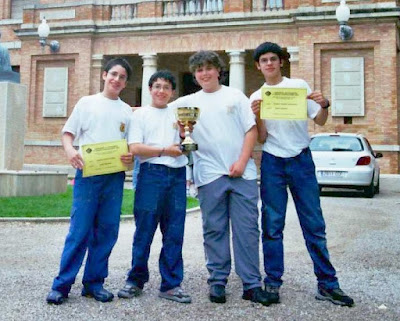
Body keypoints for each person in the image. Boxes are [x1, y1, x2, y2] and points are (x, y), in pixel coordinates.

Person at [249, 41, 354, 307]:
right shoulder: (256, 96)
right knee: (272, 225)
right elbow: (261, 137)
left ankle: (328, 283)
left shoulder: (299, 86)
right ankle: (272, 282)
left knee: (314, 225)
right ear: (258, 66)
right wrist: (258, 116)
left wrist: (325, 104)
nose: (269, 64)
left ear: (281, 62)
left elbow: (319, 121)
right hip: (273, 161)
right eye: (264, 61)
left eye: (273, 59)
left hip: (301, 159)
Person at [169, 51, 272, 306]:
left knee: (247, 229)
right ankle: (217, 281)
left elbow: (250, 131)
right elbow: (157, 112)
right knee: (213, 229)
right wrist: (181, 133)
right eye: (199, 70)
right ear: (195, 74)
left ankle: (251, 284)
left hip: (242, 173)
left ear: (218, 70)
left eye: (208, 68)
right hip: (209, 174)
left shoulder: (235, 96)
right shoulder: (187, 103)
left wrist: (241, 161)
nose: (204, 73)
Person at [46, 58, 134, 305]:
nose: (117, 79)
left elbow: (130, 148)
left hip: (114, 177)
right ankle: (61, 285)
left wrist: (130, 156)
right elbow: (68, 133)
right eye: (114, 74)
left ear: (126, 83)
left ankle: (94, 283)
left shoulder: (127, 111)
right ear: (104, 75)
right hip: (88, 174)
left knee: (107, 231)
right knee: (79, 230)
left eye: (122, 77)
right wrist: (70, 151)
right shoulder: (87, 103)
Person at [118, 70, 191, 303]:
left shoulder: (178, 114)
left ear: (172, 92)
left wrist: (183, 134)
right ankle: (135, 280)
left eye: (166, 87)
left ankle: (171, 284)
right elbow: (135, 148)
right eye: (157, 86)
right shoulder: (139, 115)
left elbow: (188, 147)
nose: (161, 91)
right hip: (151, 174)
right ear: (150, 89)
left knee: (174, 232)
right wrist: (163, 150)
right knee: (144, 231)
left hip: (177, 175)